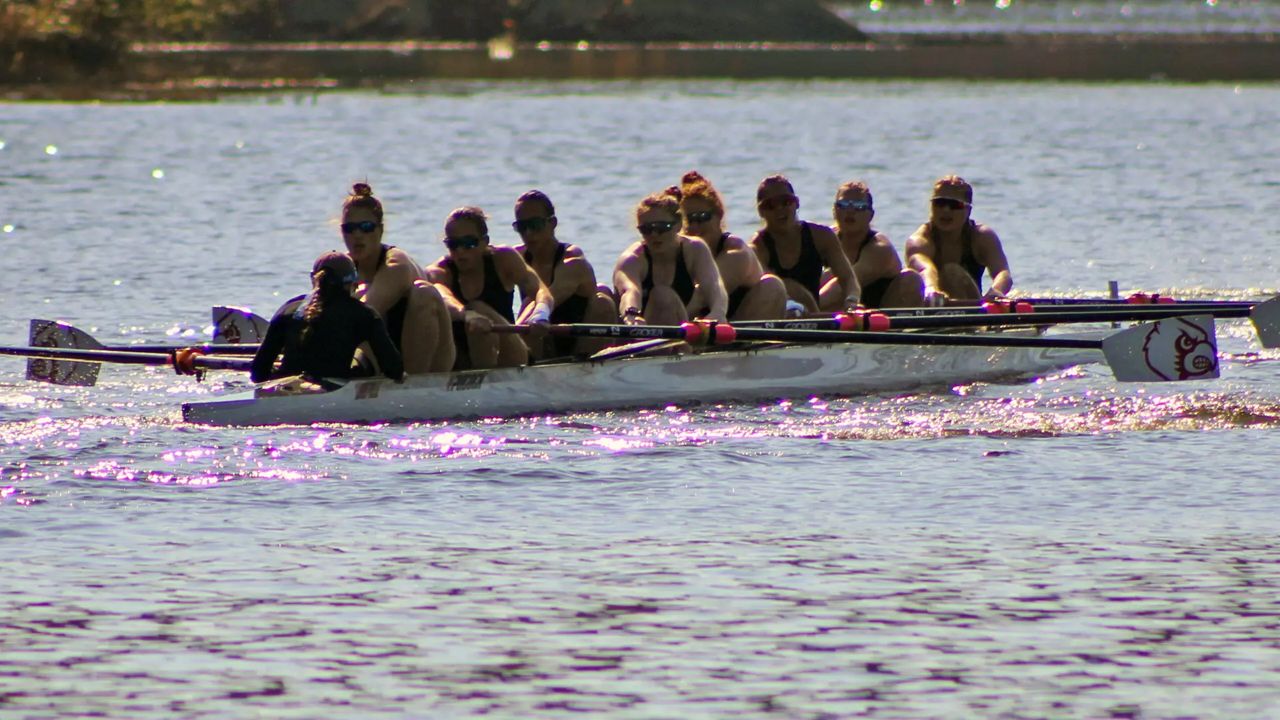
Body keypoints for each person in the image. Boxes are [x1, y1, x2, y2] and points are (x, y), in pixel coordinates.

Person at [340, 182, 455, 373]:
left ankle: (411, 382)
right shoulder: (343, 266)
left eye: (366, 227)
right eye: (349, 228)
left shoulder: (396, 263)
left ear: (380, 230)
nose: (357, 235)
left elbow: (366, 311)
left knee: (423, 292)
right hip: (388, 358)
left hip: (432, 358)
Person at [427, 206, 555, 370]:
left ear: (485, 242)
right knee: (474, 310)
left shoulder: (504, 259)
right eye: (453, 244)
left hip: (510, 356)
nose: (460, 251)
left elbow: (540, 290)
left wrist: (541, 314)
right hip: (462, 359)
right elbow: (442, 295)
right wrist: (466, 314)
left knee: (479, 307)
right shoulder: (439, 271)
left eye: (468, 243)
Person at [250, 251, 404, 384]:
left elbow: (258, 373)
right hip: (332, 392)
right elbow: (394, 369)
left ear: (313, 279)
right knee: (362, 357)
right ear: (351, 284)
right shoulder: (364, 314)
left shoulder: (288, 309)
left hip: (285, 390)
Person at [512, 189, 618, 359]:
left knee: (602, 299)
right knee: (527, 304)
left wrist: (531, 320)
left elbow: (547, 299)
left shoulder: (572, 260)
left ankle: (587, 368)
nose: (528, 233)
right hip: (541, 340)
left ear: (552, 223)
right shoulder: (515, 258)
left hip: (578, 343)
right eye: (522, 227)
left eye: (535, 225)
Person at [674, 171, 787, 321]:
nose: (694, 226)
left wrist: (672, 324)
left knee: (773, 285)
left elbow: (702, 296)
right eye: (688, 220)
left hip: (742, 321)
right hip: (701, 324)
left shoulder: (736, 252)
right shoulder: (680, 251)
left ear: (719, 215)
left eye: (702, 217)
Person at [613, 191, 728, 326]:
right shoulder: (631, 259)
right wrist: (631, 314)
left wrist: (718, 312)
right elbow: (630, 291)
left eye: (662, 227)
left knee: (672, 296)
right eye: (646, 229)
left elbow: (714, 285)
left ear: (679, 225)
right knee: (662, 296)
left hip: (681, 328)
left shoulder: (695, 249)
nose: (654, 234)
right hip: (638, 331)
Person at [749, 175, 860, 314]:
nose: (780, 209)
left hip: (812, 315)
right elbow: (784, 288)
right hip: (778, 316)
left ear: (797, 203)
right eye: (770, 205)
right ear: (761, 212)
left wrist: (851, 301)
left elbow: (848, 278)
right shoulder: (758, 247)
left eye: (786, 202)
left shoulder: (822, 236)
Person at [904, 175, 1013, 303]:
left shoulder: (982, 237)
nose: (946, 210)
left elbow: (1003, 273)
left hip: (970, 306)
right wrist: (931, 287)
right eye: (939, 203)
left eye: (954, 205)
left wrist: (996, 291)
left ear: (968, 211)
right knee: (905, 277)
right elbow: (924, 268)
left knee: (951, 272)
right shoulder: (919, 240)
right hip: (931, 302)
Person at [830, 180, 925, 308]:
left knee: (911, 278)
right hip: (841, 310)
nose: (850, 211)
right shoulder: (824, 238)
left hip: (880, 312)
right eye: (843, 205)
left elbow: (845, 283)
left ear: (870, 215)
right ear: (834, 210)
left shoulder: (880, 249)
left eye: (859, 206)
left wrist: (806, 306)